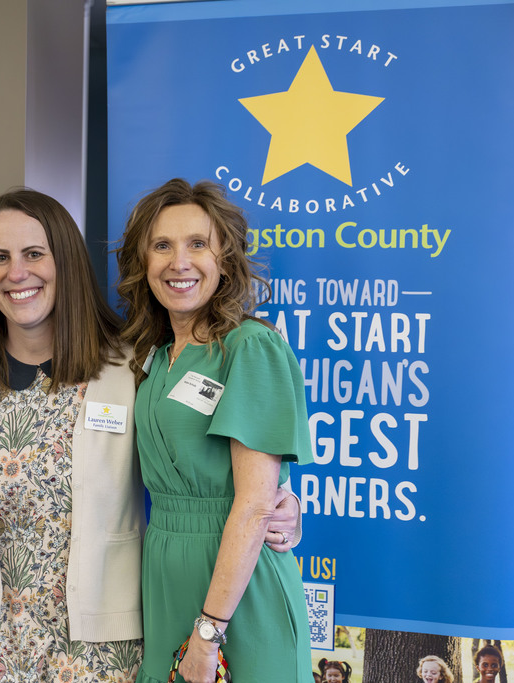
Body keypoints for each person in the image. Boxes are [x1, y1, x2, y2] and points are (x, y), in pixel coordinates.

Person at [0, 188, 300, 683]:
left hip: (106, 645)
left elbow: (210, 465)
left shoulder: (130, 366)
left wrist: (281, 503)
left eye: (35, 253)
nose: (17, 272)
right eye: (0, 257)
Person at [117, 178, 314, 683]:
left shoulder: (250, 347)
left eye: (198, 244)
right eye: (162, 246)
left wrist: (208, 633)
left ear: (225, 259)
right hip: (165, 574)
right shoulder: (155, 358)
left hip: (237, 592)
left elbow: (253, 504)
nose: (178, 262)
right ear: (143, 262)